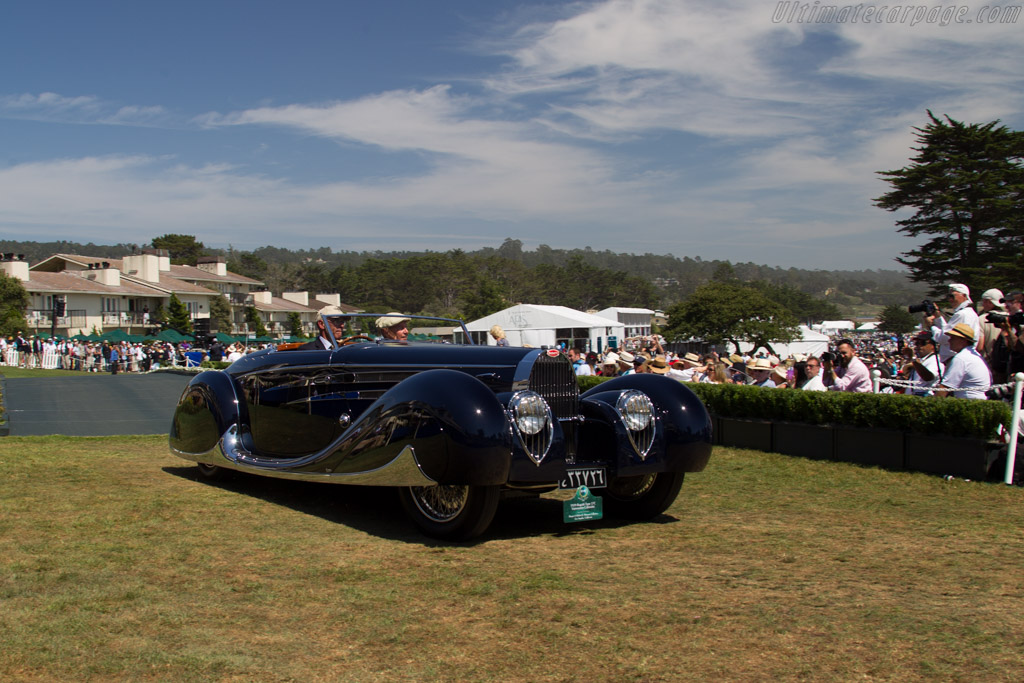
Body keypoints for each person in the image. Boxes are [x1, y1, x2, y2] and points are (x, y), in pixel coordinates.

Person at [925, 283, 981, 363]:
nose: (950, 299)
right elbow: (947, 331)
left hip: (953, 359)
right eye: (948, 296)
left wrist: (932, 326)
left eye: (952, 296)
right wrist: (938, 317)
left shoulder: (962, 314)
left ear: (964, 295)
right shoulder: (968, 313)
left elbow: (943, 337)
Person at [935, 323, 991, 399]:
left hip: (969, 403)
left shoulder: (961, 358)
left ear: (963, 340)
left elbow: (944, 389)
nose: (949, 341)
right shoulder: (974, 355)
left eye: (953, 338)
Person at [900, 332, 941, 396]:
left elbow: (928, 377)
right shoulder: (923, 360)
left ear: (933, 346)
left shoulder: (935, 360)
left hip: (924, 397)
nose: (918, 346)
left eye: (922, 343)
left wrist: (913, 360)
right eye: (916, 343)